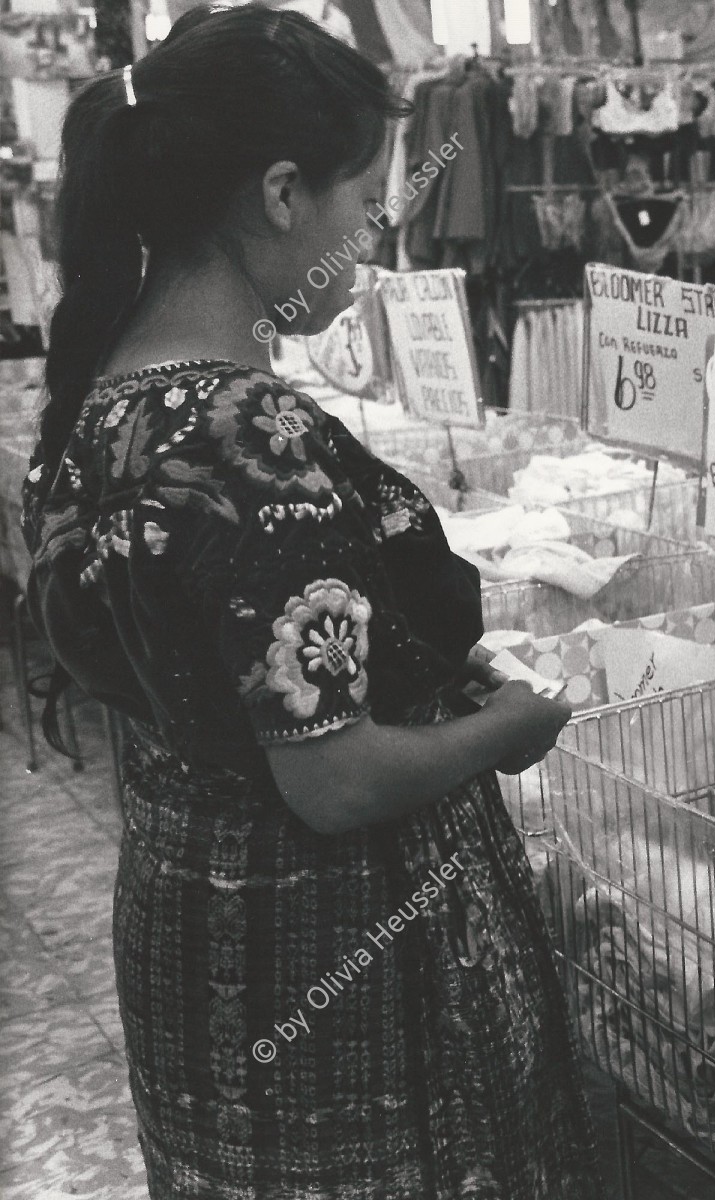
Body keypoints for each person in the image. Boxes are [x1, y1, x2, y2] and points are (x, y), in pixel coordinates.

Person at [21, 5, 599, 1195]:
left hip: (193, 937)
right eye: (363, 196)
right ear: (282, 196)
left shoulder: (107, 404)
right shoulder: (252, 441)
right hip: (338, 972)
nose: (377, 227)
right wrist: (504, 731)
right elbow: (332, 779)